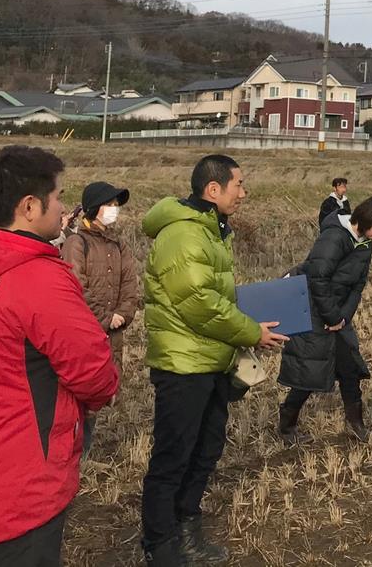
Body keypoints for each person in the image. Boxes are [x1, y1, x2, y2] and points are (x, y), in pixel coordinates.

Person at [0, 145, 120, 565]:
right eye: (57, 198)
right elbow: (93, 372)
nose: (63, 209)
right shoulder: (37, 278)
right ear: (30, 206)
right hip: (24, 474)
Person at [141, 155, 287, 567]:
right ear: (213, 189)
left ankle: (187, 531)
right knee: (174, 456)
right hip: (183, 365)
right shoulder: (184, 235)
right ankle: (160, 546)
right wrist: (249, 332)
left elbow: (215, 297)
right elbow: (198, 303)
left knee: (205, 450)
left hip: (209, 360)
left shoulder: (213, 232)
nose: (244, 192)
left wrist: (250, 322)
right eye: (238, 184)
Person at [277, 195, 372, 444]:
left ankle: (356, 424)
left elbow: (358, 284)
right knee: (310, 370)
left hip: (337, 314)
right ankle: (287, 425)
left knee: (349, 367)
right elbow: (316, 279)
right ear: (365, 218)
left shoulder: (365, 242)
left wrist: (343, 318)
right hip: (313, 309)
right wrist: (331, 316)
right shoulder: (334, 237)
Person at [61, 181, 140, 453]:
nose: (114, 210)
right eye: (109, 205)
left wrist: (123, 314)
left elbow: (131, 285)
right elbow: (75, 285)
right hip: (86, 333)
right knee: (78, 394)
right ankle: (72, 455)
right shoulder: (76, 242)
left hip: (110, 334)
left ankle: (80, 453)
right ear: (94, 208)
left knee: (96, 394)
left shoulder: (119, 245)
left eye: (116, 206)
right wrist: (106, 317)